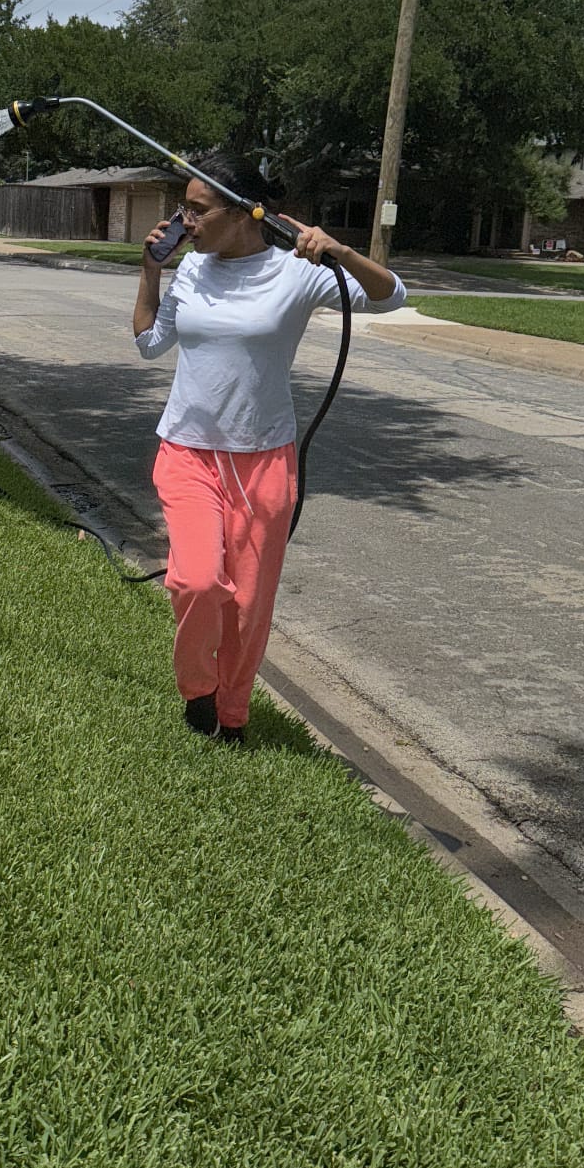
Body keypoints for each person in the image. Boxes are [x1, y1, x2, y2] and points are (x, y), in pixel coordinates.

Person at [134, 168, 407, 744]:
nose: (185, 221)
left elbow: (390, 295)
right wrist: (149, 272)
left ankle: (232, 716)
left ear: (244, 213)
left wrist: (339, 250)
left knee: (250, 606)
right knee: (198, 582)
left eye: (198, 210)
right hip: (188, 451)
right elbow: (148, 343)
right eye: (184, 208)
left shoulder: (296, 272)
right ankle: (197, 689)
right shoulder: (192, 269)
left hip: (265, 462)